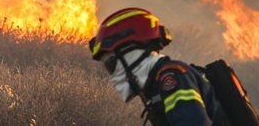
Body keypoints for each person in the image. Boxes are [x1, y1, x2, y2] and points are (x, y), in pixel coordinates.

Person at [89, 7, 229, 125]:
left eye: (110, 64)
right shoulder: (157, 85)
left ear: (130, 55)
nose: (111, 74)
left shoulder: (172, 77)